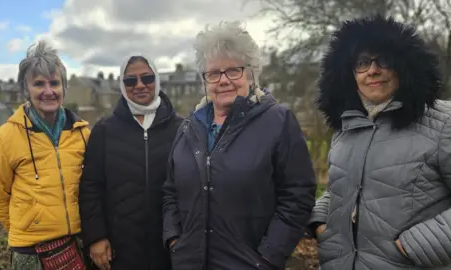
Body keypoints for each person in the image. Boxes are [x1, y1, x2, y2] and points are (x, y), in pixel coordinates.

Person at [162, 21, 317, 270]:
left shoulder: (277, 121)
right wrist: (174, 239)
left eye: (233, 71)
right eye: (213, 73)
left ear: (251, 74)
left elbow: (298, 195)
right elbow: (171, 191)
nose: (223, 81)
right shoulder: (189, 127)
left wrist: (268, 255)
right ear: (205, 80)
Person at [307, 15, 451, 269]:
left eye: (383, 60)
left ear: (404, 65)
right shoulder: (347, 125)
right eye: (362, 62)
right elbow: (342, 187)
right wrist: (320, 221)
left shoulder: (443, 122)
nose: (373, 70)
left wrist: (417, 246)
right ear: (349, 72)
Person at [0, 40, 90, 269]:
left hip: (76, 244)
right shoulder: (6, 136)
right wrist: (27, 226)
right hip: (31, 253)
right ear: (26, 89)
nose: (48, 91)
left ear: (64, 88)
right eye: (38, 84)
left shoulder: (82, 133)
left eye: (55, 83)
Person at [78, 54, 183, 270]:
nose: (140, 85)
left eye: (147, 78)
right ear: (122, 85)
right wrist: (96, 237)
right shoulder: (105, 131)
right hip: (120, 249)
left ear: (157, 80)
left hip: (168, 246)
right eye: (130, 80)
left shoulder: (181, 128)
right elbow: (90, 187)